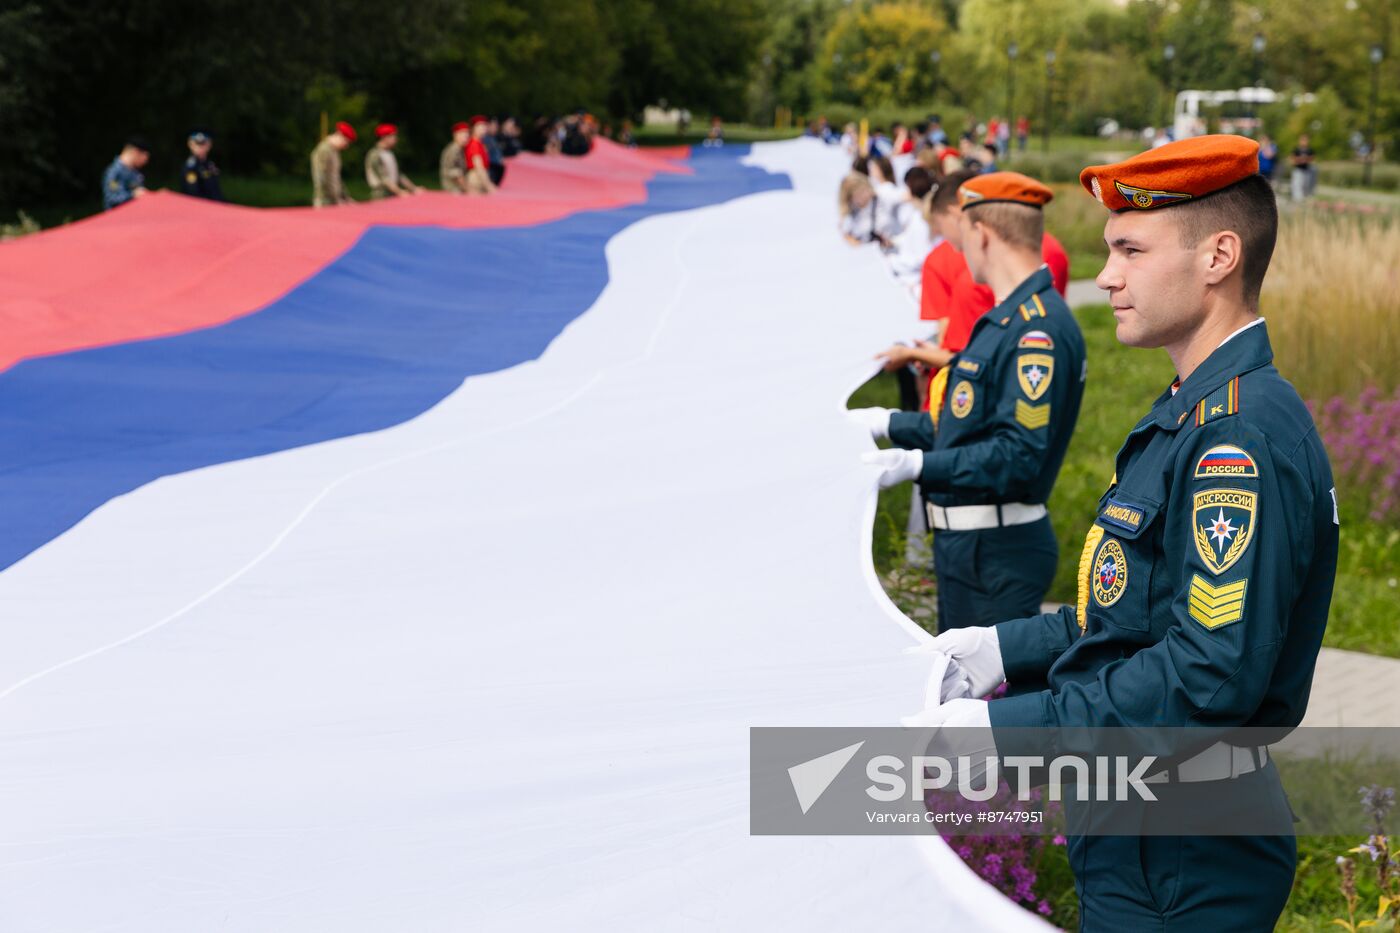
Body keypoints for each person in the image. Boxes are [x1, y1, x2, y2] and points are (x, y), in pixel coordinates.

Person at [916, 135, 1338, 931]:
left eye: (1130, 250)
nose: (1105, 276)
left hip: (1181, 841)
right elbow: (1141, 617)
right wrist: (1002, 650)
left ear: (1218, 256)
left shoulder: (1234, 437)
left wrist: (1003, 731)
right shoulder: (1193, 411)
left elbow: (1207, 676)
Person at [857, 172, 1087, 632]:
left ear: (980, 233)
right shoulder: (1008, 319)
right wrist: (885, 424)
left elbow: (1017, 455)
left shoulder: (1034, 331)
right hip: (973, 548)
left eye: (961, 237)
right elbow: (966, 422)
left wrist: (917, 466)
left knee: (981, 699)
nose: (958, 251)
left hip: (995, 553)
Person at [365, 123, 420, 198]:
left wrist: (413, 189)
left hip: (392, 194)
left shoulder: (389, 153)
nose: (396, 139)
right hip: (381, 195)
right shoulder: (375, 154)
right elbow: (384, 178)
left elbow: (399, 175)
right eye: (393, 136)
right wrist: (399, 192)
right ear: (384, 137)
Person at [311, 121, 356, 208]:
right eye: (346, 141)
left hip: (334, 200)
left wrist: (346, 197)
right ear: (339, 135)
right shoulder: (324, 150)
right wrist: (336, 201)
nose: (346, 146)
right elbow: (321, 178)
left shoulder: (334, 151)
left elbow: (336, 178)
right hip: (325, 201)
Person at [102, 137, 151, 210]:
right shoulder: (114, 173)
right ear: (135, 152)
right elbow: (112, 199)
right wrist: (132, 196)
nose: (145, 162)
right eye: (144, 156)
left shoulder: (135, 173)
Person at [180, 131, 224, 201]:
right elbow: (193, 194)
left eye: (203, 144)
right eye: (197, 144)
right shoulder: (190, 167)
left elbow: (216, 192)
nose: (200, 147)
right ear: (190, 145)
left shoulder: (210, 165)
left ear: (209, 145)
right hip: (199, 207)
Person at [464, 116, 497, 195]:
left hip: (480, 176)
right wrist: (488, 185)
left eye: (484, 125)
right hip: (476, 178)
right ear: (473, 128)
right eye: (479, 126)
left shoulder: (480, 143)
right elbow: (479, 167)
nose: (483, 128)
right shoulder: (474, 144)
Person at [440, 122, 470, 194]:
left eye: (467, 133)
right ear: (455, 135)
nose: (466, 136)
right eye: (463, 133)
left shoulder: (460, 149)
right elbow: (456, 173)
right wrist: (468, 190)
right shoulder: (454, 150)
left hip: (457, 187)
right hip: (453, 188)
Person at [1289, 133, 1315, 202]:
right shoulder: (1296, 150)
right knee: (1297, 185)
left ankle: (1305, 198)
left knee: (1305, 185)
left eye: (1306, 140)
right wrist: (1301, 160)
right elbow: (1292, 160)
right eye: (1303, 140)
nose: (1304, 141)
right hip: (1298, 170)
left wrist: (1304, 159)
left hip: (1307, 170)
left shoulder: (1310, 150)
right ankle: (1297, 199)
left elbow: (1311, 159)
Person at [483, 118, 506, 187]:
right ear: (487, 126)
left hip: (497, 167)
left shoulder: (494, 138)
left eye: (496, 126)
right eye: (492, 126)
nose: (494, 128)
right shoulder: (484, 138)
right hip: (491, 167)